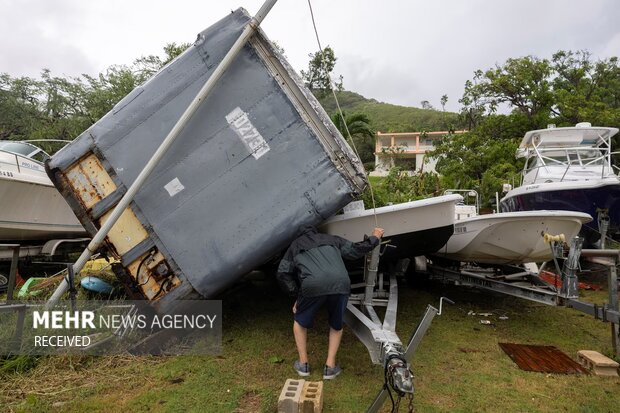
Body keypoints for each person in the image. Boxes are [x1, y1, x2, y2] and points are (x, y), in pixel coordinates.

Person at [276, 224, 385, 379]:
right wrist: (375, 237)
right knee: (336, 324)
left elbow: (282, 273)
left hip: (313, 285)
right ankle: (330, 366)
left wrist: (297, 296)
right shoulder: (331, 239)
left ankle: (303, 364)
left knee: (300, 322)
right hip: (341, 283)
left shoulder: (295, 245)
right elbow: (355, 250)